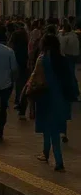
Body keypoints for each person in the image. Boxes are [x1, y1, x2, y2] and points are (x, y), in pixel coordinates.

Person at [28, 33, 78, 172]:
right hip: (60, 98)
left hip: (46, 97)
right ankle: (49, 155)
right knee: (55, 127)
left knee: (48, 128)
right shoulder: (63, 60)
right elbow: (71, 79)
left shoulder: (42, 59)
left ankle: (57, 160)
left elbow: (35, 79)